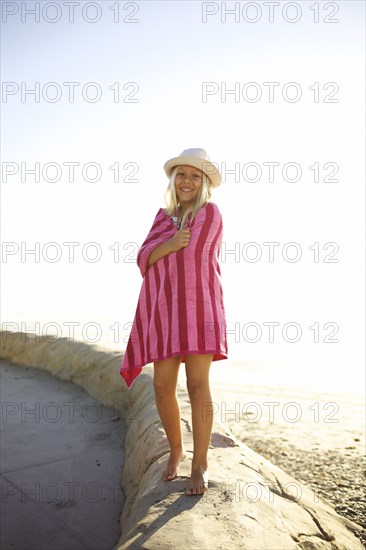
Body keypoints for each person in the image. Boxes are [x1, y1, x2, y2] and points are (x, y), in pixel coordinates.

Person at [120, 148, 228, 496]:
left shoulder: (210, 213)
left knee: (198, 385)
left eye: (195, 176)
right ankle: (176, 449)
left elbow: (194, 253)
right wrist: (167, 245)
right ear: (173, 179)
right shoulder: (163, 217)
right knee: (162, 386)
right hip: (165, 312)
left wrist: (165, 249)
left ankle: (200, 463)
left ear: (204, 183)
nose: (187, 181)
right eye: (181, 174)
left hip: (199, 308)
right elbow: (143, 257)